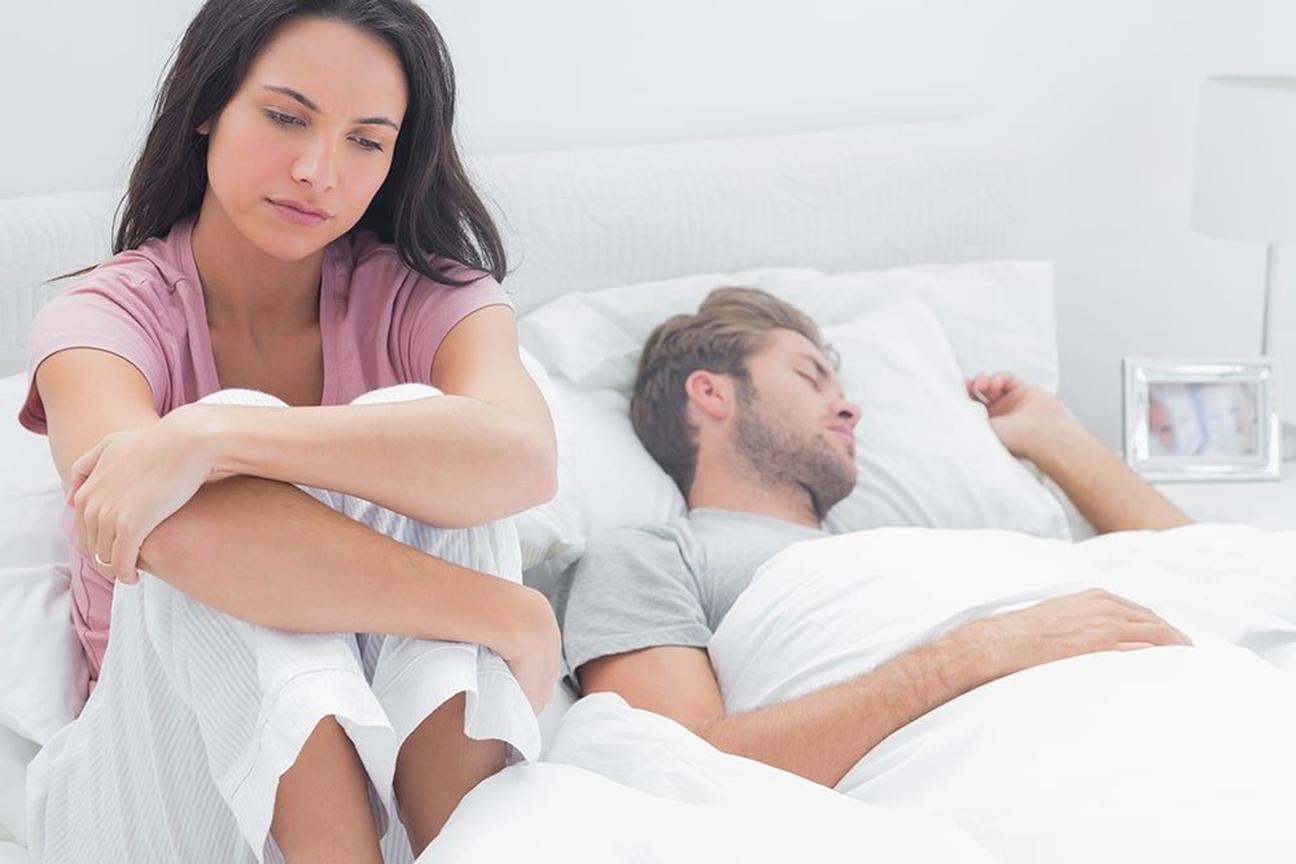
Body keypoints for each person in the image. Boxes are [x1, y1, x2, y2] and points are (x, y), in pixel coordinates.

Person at [17, 2, 560, 862]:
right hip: (155, 795)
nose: (317, 172)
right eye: (284, 117)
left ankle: (454, 847)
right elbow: (167, 529)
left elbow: (522, 458)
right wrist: (509, 616)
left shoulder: (426, 299)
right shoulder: (103, 320)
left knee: (420, 425)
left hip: (391, 788)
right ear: (208, 107)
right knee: (206, 525)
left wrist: (214, 437)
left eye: (366, 141)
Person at [555, 286, 1193, 790]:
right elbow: (674, 772)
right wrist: (980, 650)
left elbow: (1207, 565)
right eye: (810, 377)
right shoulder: (650, 555)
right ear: (710, 392)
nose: (850, 408)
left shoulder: (917, 546)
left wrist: (1052, 436)